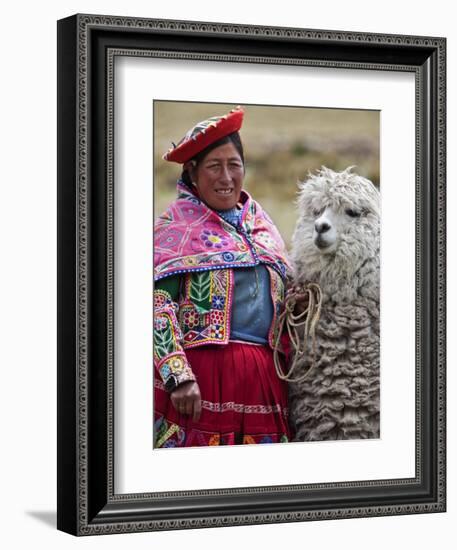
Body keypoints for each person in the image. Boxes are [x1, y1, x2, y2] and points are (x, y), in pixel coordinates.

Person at [154, 106, 292, 447]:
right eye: (214, 166)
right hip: (201, 381)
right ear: (192, 171)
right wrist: (178, 377)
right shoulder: (175, 228)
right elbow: (155, 305)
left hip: (263, 381)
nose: (226, 177)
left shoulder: (261, 224)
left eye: (234, 165)